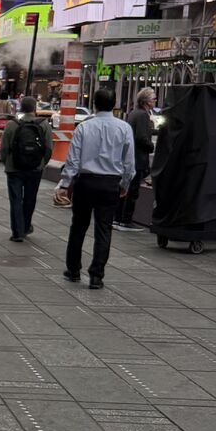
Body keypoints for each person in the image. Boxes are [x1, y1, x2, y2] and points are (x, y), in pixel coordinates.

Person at [58, 86, 134, 289]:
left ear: (94, 104)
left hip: (86, 182)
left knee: (78, 227)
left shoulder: (84, 127)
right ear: (114, 104)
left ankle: (73, 269)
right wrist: (125, 183)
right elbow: (129, 163)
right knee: (104, 230)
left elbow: (73, 159)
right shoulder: (124, 128)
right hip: (111, 183)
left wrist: (65, 184)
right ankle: (96, 275)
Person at [0, 96, 53, 243]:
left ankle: (17, 232)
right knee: (30, 198)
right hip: (35, 168)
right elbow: (48, 148)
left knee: (16, 199)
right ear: (35, 108)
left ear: (20, 108)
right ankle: (26, 225)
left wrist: (7, 163)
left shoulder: (12, 124)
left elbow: (4, 148)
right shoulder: (44, 125)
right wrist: (42, 163)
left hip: (14, 168)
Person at [116, 88, 156, 231]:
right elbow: (141, 137)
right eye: (153, 99)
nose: (155, 101)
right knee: (132, 192)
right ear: (146, 101)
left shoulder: (134, 113)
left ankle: (118, 218)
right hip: (138, 158)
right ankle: (126, 220)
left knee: (124, 188)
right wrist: (151, 146)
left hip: (130, 156)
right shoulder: (143, 115)